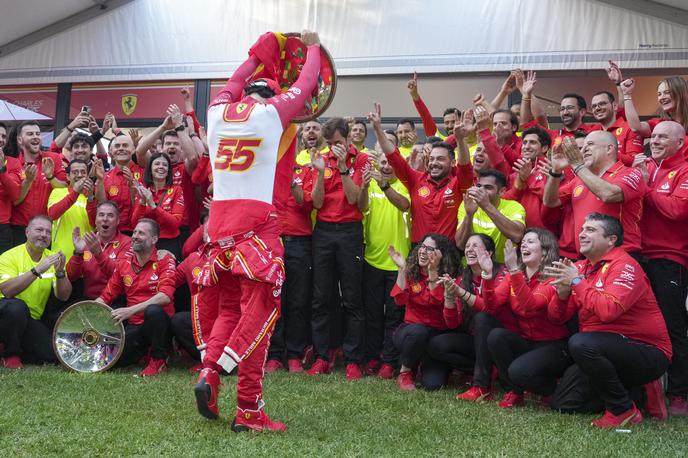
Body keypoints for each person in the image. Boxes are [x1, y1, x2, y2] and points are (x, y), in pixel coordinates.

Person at [193, 30, 321, 432]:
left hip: (219, 228)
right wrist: (314, 47)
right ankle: (248, 409)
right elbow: (307, 84)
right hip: (257, 227)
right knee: (260, 315)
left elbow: (231, 81)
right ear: (271, 97)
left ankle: (210, 374)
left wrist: (257, 55)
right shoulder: (270, 117)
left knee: (230, 309)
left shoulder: (215, 113)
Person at [546, 213, 672, 428]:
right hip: (603, 350)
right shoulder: (581, 267)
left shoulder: (625, 265)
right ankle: (637, 394)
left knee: (580, 343)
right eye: (582, 230)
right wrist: (563, 293)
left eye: (591, 230)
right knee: (563, 404)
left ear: (611, 239)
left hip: (647, 351)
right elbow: (557, 318)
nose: (582, 234)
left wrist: (576, 281)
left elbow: (608, 311)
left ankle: (623, 410)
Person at [306, 117, 369, 379]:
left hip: (350, 232)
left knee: (352, 297)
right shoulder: (321, 158)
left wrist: (343, 167)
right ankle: (322, 356)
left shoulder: (362, 160)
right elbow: (317, 203)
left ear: (348, 139)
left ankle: (353, 358)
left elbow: (355, 199)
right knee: (321, 297)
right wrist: (321, 172)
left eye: (338, 143)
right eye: (330, 144)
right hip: (322, 232)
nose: (334, 148)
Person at [484, 229, 571, 408]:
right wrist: (486, 275)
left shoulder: (554, 276)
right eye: (522, 242)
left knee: (519, 372)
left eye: (530, 241)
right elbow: (490, 306)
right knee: (496, 336)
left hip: (554, 345)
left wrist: (514, 270)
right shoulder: (515, 275)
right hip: (528, 342)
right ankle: (515, 392)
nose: (523, 244)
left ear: (545, 250)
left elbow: (530, 305)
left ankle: (550, 389)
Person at [636, 120, 688, 416]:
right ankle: (647, 390)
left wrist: (645, 188)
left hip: (670, 259)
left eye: (661, 137)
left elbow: (677, 210)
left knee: (673, 327)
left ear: (680, 143)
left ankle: (679, 394)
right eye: (653, 136)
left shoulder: (684, 170)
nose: (654, 141)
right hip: (639, 256)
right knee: (641, 328)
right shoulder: (647, 168)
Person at [370, 102, 472, 245]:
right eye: (431, 159)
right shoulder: (415, 180)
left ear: (452, 163)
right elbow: (393, 156)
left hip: (449, 254)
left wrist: (460, 139)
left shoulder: (459, 184)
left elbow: (465, 167)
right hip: (419, 252)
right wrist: (378, 130)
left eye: (441, 159)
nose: (434, 162)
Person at [542, 132, 645, 256]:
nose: (584, 149)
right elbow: (550, 201)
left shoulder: (630, 173)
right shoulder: (580, 178)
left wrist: (578, 166)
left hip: (620, 254)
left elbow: (608, 195)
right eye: (583, 146)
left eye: (590, 144)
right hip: (586, 257)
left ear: (609, 148)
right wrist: (556, 171)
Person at [96, 219, 176, 377]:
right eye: (134, 232)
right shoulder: (124, 264)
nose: (135, 236)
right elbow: (106, 296)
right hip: (136, 326)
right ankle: (143, 354)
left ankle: (159, 359)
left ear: (154, 240)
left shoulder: (165, 259)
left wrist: (129, 311)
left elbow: (165, 297)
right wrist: (88, 312)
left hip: (161, 326)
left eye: (141, 233)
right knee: (108, 360)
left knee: (153, 311)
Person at [358, 149, 411, 379]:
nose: (387, 166)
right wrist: (363, 185)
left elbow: (404, 205)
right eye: (382, 163)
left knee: (393, 315)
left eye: (391, 163)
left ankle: (389, 361)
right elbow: (361, 207)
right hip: (372, 259)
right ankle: (372, 356)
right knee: (372, 314)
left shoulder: (405, 185)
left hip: (397, 265)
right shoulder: (371, 184)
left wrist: (384, 186)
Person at [388, 233, 461, 391]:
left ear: (440, 254)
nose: (422, 251)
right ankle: (405, 373)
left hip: (436, 338)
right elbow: (399, 300)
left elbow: (435, 300)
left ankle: (423, 365)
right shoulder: (412, 272)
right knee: (418, 332)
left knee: (433, 385)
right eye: (422, 246)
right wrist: (402, 269)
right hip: (411, 331)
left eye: (429, 249)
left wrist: (433, 270)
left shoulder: (448, 277)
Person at [0, 215, 71, 368]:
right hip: (6, 315)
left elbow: (64, 296)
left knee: (53, 356)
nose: (44, 235)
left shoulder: (52, 259)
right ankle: (10, 354)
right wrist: (37, 270)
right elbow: (7, 291)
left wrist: (60, 273)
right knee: (16, 307)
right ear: (27, 232)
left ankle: (8, 345)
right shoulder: (9, 256)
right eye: (39, 230)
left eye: (48, 232)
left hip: (30, 320)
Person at [9, 121, 67, 246]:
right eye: (30, 134)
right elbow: (15, 200)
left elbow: (65, 189)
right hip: (20, 228)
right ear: (20, 140)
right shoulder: (13, 164)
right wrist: (28, 181)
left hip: (46, 228)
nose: (35, 136)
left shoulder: (53, 158)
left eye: (38, 133)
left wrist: (50, 177)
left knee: (46, 265)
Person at [455, 169, 526, 263]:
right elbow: (460, 244)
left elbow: (517, 235)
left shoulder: (514, 207)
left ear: (501, 191)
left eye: (488, 187)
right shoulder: (468, 204)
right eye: (479, 186)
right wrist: (469, 214)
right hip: (472, 267)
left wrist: (486, 206)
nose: (481, 191)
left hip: (502, 268)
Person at [66, 201, 131, 300]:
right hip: (88, 300)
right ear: (96, 220)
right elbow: (72, 276)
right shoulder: (86, 241)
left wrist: (98, 254)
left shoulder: (127, 243)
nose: (105, 219)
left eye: (110, 215)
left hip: (116, 301)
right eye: (101, 215)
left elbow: (120, 276)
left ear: (118, 221)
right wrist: (78, 253)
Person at [130, 152, 185, 261]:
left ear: (169, 171)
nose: (161, 167)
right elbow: (135, 224)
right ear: (150, 169)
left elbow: (175, 223)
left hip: (169, 242)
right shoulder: (143, 190)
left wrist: (153, 206)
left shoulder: (176, 190)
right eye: (157, 164)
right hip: (145, 242)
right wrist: (142, 202)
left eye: (165, 165)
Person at [46, 159, 96, 260]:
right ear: (68, 176)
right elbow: (52, 214)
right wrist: (75, 192)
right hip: (61, 256)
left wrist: (90, 198)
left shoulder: (92, 197)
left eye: (83, 172)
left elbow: (95, 225)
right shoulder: (58, 192)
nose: (79, 175)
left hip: (88, 258)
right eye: (75, 172)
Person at [101, 134, 143, 233]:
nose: (121, 149)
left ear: (133, 149)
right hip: (114, 233)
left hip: (140, 232)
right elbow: (102, 208)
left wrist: (133, 187)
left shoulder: (144, 173)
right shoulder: (104, 178)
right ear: (111, 152)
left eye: (125, 145)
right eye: (117, 146)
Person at [589, 90, 643, 166]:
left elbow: (635, 160)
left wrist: (602, 153)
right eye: (594, 106)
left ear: (614, 106)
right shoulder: (592, 134)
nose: (597, 108)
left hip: (622, 176)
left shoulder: (630, 127)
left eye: (602, 104)